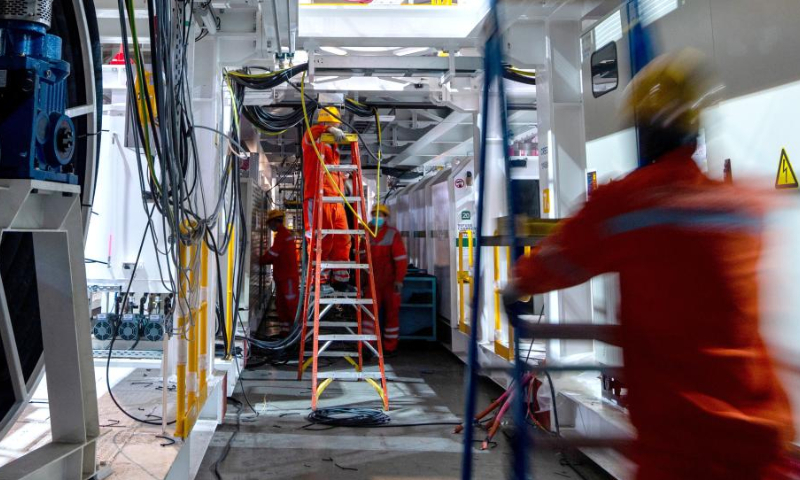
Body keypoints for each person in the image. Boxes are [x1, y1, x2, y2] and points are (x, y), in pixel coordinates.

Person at [504, 49, 796, 479]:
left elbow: (555, 263)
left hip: (677, 444)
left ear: (641, 130)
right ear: (695, 128)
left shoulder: (623, 205)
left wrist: (516, 285)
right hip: (761, 441)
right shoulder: (742, 207)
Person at [302, 106, 351, 289]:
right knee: (321, 240)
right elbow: (310, 133)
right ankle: (319, 282)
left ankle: (340, 280)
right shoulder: (313, 137)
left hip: (336, 200)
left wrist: (343, 180)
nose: (337, 126)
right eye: (334, 123)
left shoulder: (333, 144)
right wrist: (327, 129)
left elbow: (331, 168)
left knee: (342, 240)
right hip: (317, 198)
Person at [360, 204, 408, 355]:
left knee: (391, 314)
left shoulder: (392, 234)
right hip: (371, 282)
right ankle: (367, 345)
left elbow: (400, 259)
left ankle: (390, 347)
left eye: (380, 215)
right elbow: (360, 258)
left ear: (386, 217)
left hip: (390, 282)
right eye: (375, 214)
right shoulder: (366, 233)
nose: (377, 217)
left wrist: (399, 280)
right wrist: (361, 281)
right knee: (368, 314)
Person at [261, 209, 299, 336]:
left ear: (274, 222)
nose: (269, 227)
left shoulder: (282, 235)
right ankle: (285, 331)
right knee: (282, 305)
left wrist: (260, 260)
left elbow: (272, 254)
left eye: (270, 223)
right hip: (283, 277)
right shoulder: (283, 235)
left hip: (287, 278)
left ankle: (296, 333)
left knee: (290, 305)